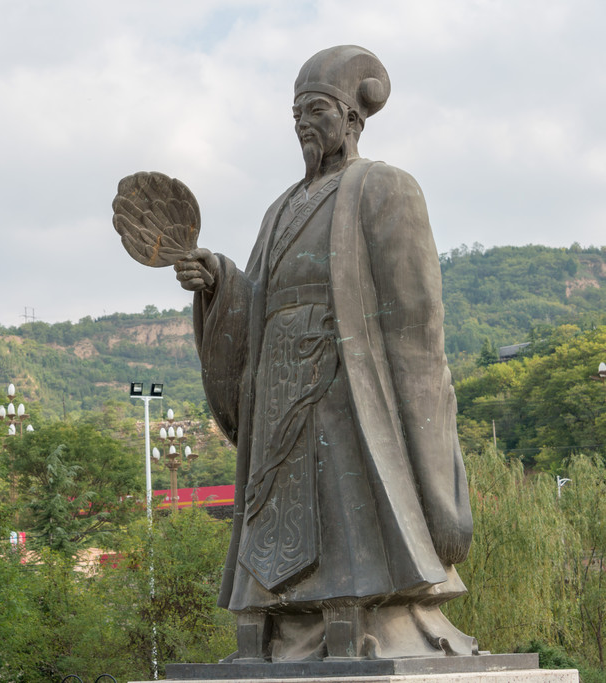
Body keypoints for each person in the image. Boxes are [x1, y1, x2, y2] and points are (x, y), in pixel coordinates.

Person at [173, 46, 477, 661]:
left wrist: (417, 407)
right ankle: (272, 624)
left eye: (316, 110)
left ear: (351, 117)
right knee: (275, 505)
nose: (303, 124)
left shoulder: (383, 187)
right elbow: (256, 298)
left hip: (344, 384)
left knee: (345, 503)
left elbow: (415, 316)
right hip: (278, 384)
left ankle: (358, 613)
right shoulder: (279, 208)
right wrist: (219, 280)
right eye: (295, 114)